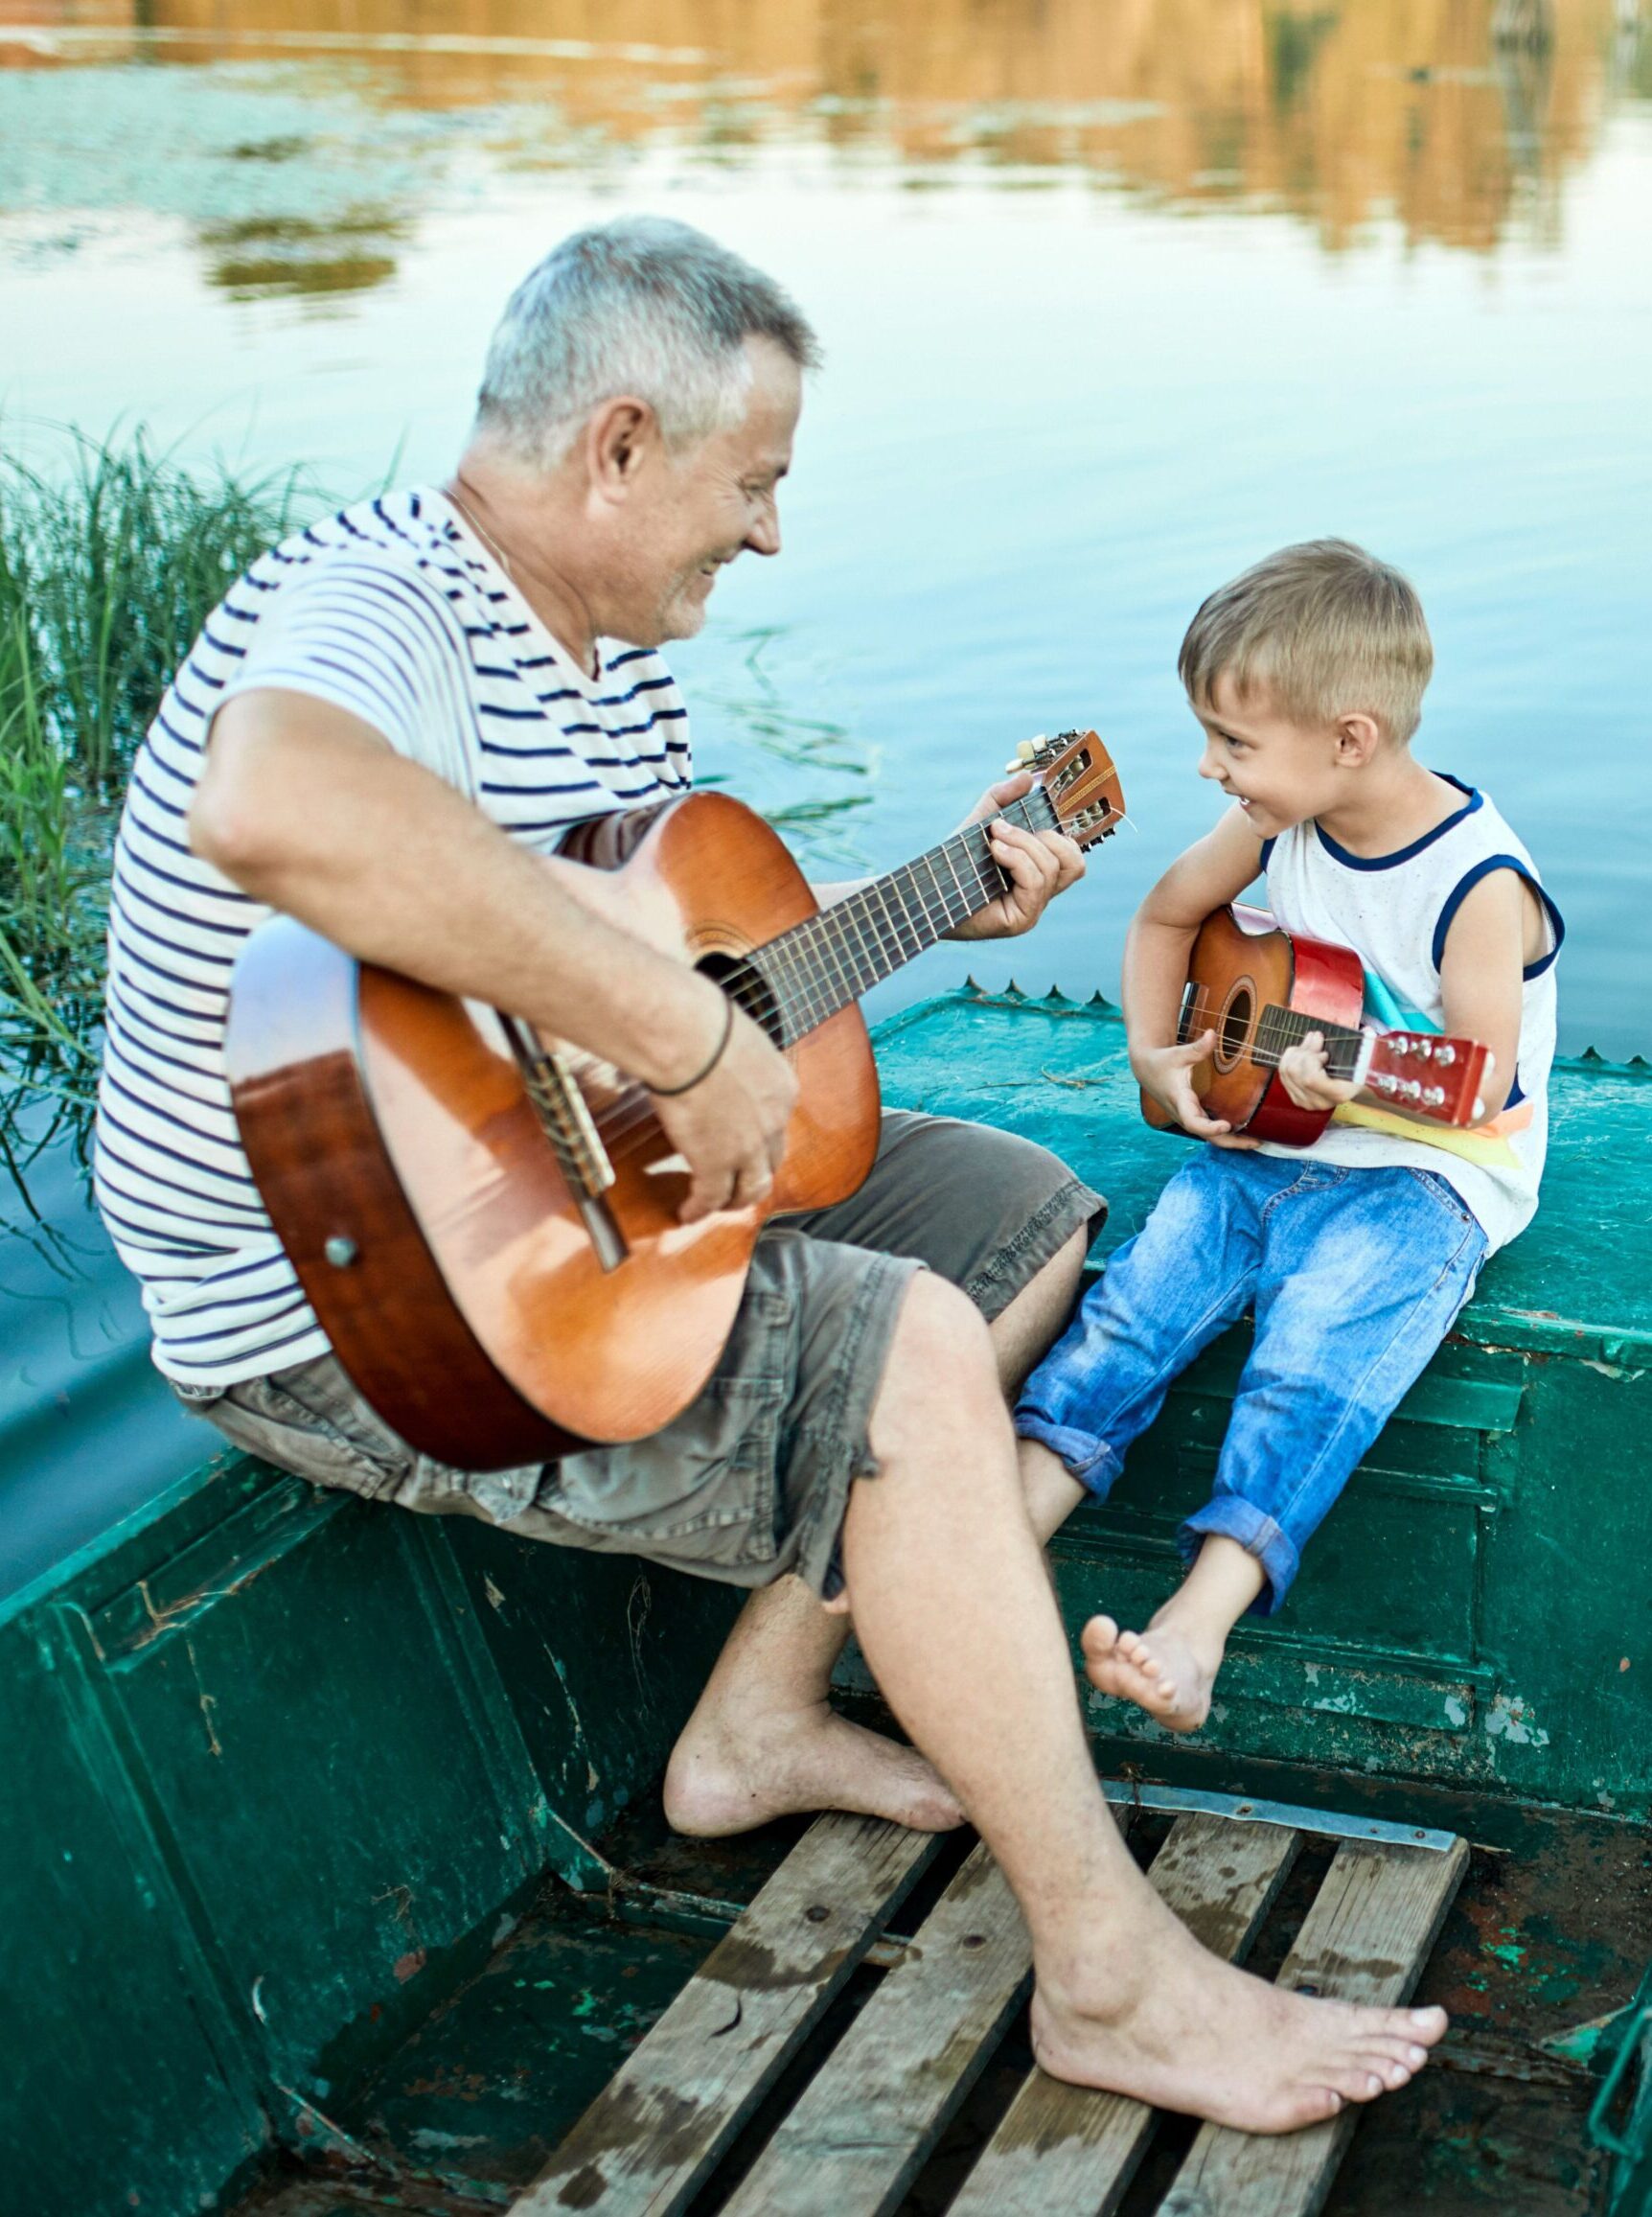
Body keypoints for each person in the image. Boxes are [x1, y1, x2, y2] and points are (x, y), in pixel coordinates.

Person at [93, 228, 1446, 2128]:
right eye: (757, 483)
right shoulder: (378, 598)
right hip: (366, 1307)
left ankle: (751, 1723)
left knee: (1018, 1218)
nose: (773, 535)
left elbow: (702, 974)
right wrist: (673, 1030)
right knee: (895, 1345)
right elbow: (282, 800)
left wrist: (903, 919)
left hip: (562, 1211)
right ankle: (1112, 1980)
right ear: (619, 445)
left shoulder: (609, 659)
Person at [1016, 539, 1563, 1735]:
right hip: (1261, 1145)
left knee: (1309, 1361)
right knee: (1126, 1316)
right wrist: (1155, 1059)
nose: (1211, 769)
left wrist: (1351, 1086)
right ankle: (990, 1564)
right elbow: (1166, 913)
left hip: (1424, 1175)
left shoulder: (1477, 883)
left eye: (1233, 744)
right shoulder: (1277, 826)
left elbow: (1473, 1085)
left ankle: (1195, 1626)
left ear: (1348, 739)